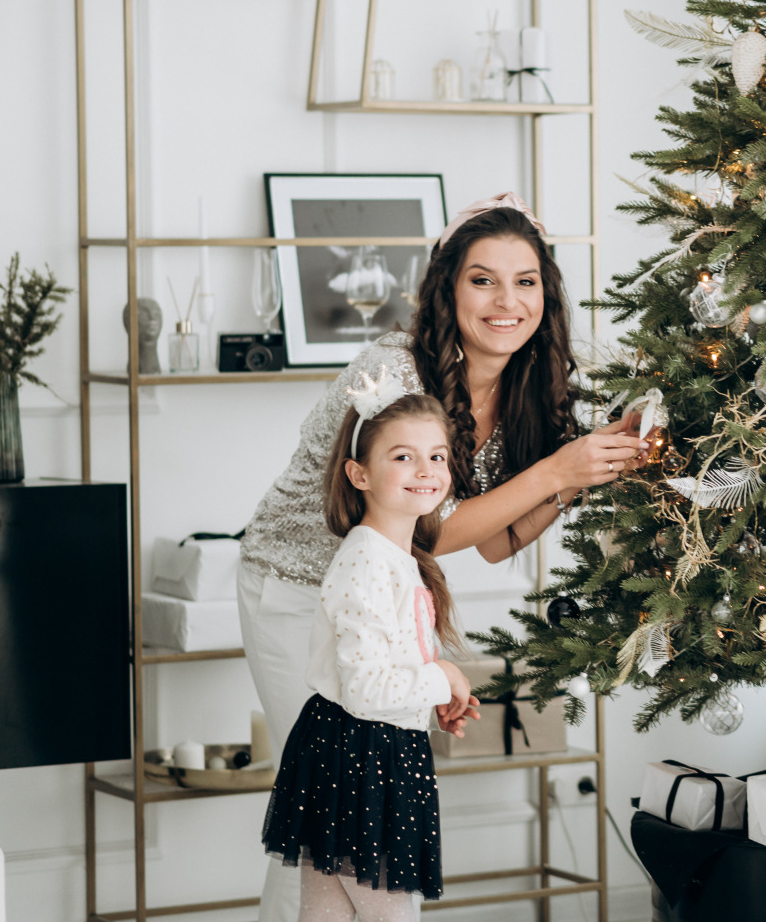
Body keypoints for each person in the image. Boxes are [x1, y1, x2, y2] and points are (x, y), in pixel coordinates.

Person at [237, 193, 645, 922]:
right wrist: (557, 472)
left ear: (544, 297)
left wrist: (586, 474)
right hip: (300, 588)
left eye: (525, 282)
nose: (505, 301)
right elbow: (425, 527)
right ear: (447, 288)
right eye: (482, 279)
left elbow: (495, 540)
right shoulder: (397, 371)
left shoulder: (521, 384)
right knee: (325, 812)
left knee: (342, 820)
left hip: (386, 594)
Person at [261, 382, 474, 920]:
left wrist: (428, 696)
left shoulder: (396, 557)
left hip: (362, 751)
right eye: (403, 457)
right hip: (361, 760)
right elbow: (364, 690)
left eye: (436, 456)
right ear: (360, 474)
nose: (426, 469)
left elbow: (387, 669)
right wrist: (442, 675)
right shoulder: (367, 563)